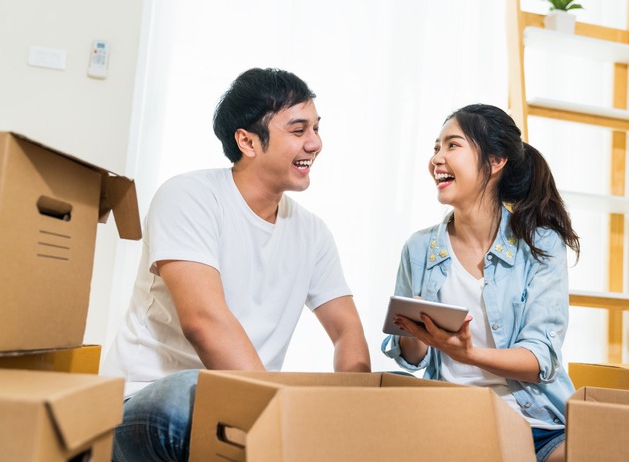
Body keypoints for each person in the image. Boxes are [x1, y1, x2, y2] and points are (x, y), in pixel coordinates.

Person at [102, 67, 371, 462]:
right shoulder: (189, 197)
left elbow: (347, 332)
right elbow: (204, 321)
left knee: (391, 388)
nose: (315, 143)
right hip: (147, 399)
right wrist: (277, 416)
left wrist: (350, 410)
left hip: (240, 405)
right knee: (192, 391)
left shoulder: (313, 233)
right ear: (246, 141)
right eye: (298, 131)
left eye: (316, 128)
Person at [382, 104, 580, 462]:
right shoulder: (419, 248)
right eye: (435, 148)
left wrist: (467, 353)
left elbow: (540, 358)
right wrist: (413, 333)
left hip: (537, 424)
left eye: (452, 145)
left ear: (496, 160)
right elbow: (413, 357)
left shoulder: (541, 244)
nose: (437, 159)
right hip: (454, 421)